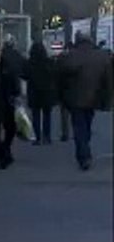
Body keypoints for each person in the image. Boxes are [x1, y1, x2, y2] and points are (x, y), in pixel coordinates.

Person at [56, 32, 114, 170]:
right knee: (86, 124)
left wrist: (62, 97)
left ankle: (84, 155)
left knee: (79, 127)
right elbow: (108, 80)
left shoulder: (70, 56)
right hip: (94, 98)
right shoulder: (101, 56)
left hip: (74, 99)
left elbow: (60, 78)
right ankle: (85, 149)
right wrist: (107, 100)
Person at [22, 42, 58, 145]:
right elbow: (54, 74)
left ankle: (37, 137)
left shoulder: (29, 63)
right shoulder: (49, 62)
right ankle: (47, 137)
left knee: (35, 115)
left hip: (34, 92)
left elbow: (24, 75)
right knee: (47, 115)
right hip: (47, 92)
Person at [0, 35, 25, 161]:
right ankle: (6, 147)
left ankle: (3, 150)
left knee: (1, 125)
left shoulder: (1, 58)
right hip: (13, 94)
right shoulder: (17, 56)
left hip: (1, 96)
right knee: (11, 125)